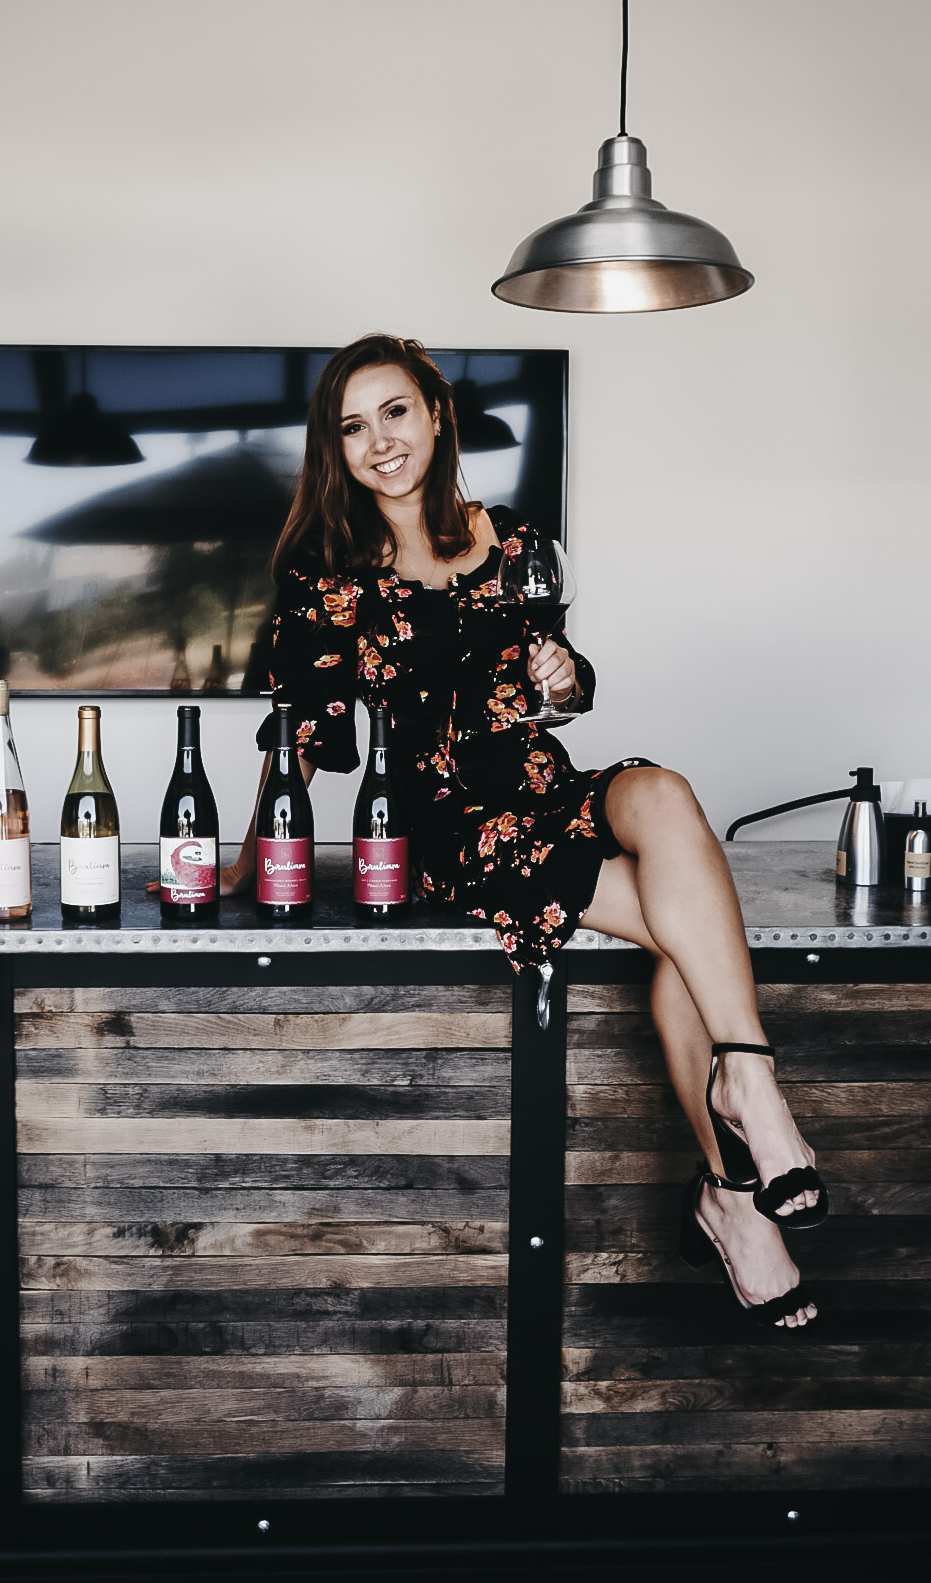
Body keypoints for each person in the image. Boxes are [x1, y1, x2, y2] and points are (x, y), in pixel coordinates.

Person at [223, 334, 825, 1330]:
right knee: (691, 927)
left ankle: (741, 1117)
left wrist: (561, 677)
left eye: (396, 412)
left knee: (664, 790)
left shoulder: (511, 541)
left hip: (549, 788)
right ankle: (736, 1165)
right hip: (463, 829)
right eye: (353, 426)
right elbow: (300, 738)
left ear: (436, 413)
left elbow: (565, 679)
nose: (379, 441)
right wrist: (252, 857)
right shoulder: (324, 578)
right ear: (334, 449)